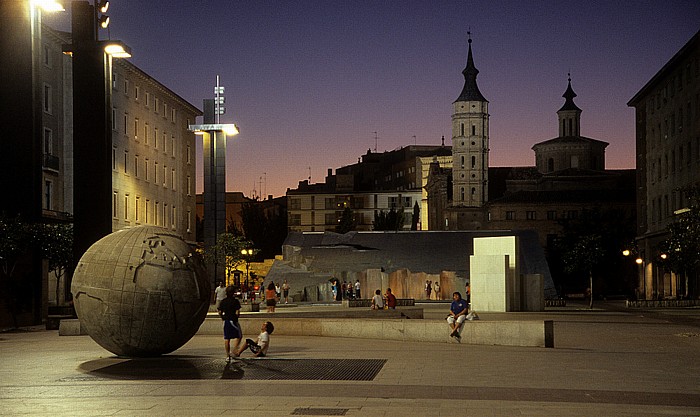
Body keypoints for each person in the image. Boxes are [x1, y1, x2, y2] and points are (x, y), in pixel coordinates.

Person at [217, 286, 242, 362]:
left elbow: (219, 311)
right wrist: (236, 317)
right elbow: (237, 312)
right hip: (233, 321)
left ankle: (227, 355)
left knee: (227, 338)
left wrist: (222, 317)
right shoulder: (235, 301)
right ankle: (234, 352)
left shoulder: (223, 301)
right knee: (239, 336)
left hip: (226, 320)